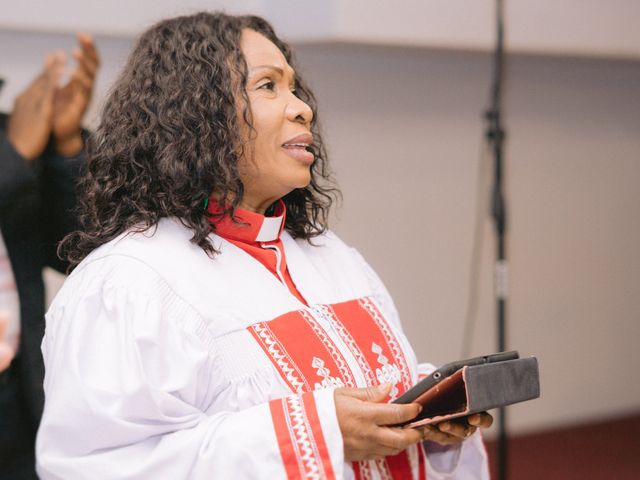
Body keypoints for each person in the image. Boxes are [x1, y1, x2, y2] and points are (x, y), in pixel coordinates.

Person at [36, 13, 491, 479]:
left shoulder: (334, 258)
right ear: (194, 114)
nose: (302, 108)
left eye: (294, 87)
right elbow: (98, 467)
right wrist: (312, 434)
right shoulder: (129, 282)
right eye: (268, 86)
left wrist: (423, 425)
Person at [0, 33, 100, 478]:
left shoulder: (15, 130)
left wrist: (66, 147)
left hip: (19, 398)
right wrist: (13, 158)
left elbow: (75, 248)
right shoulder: (15, 143)